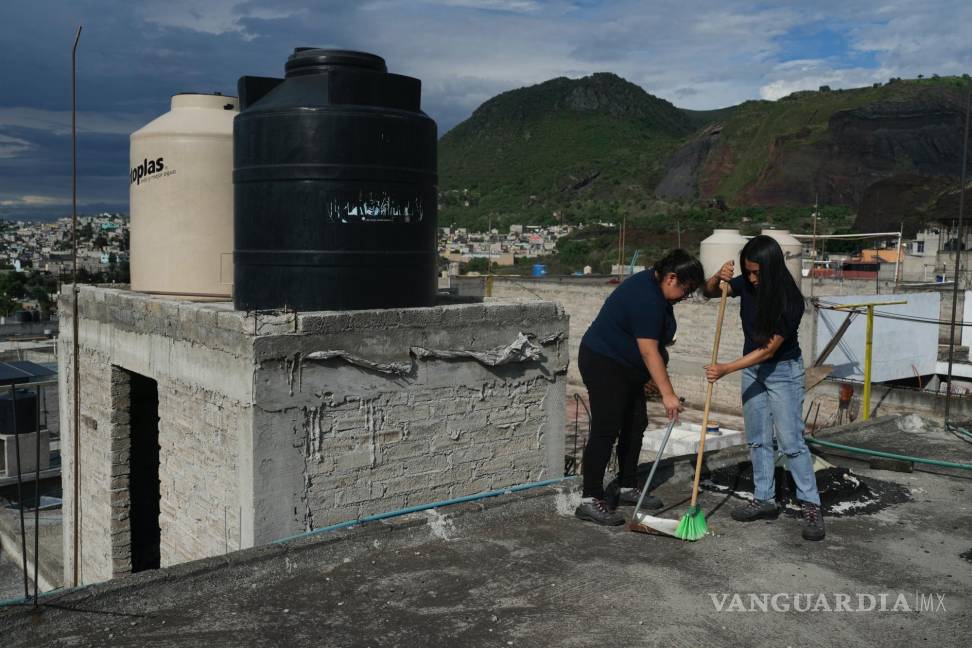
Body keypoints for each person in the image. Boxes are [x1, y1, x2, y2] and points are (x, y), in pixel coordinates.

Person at [702, 235, 824, 541]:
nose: (751, 279)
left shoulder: (790, 299)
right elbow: (710, 293)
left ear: (771, 268)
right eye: (748, 271)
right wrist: (719, 276)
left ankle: (811, 506)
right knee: (757, 439)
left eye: (756, 273)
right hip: (751, 369)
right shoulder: (747, 281)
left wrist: (728, 368)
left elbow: (770, 350)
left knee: (791, 442)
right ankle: (764, 498)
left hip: (782, 371)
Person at [575, 249, 704, 526]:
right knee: (606, 428)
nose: (686, 296)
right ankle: (590, 499)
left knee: (635, 424)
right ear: (671, 278)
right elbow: (648, 351)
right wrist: (668, 394)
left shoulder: (655, 284)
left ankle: (626, 486)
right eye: (686, 289)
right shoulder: (646, 298)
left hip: (627, 367)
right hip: (604, 362)